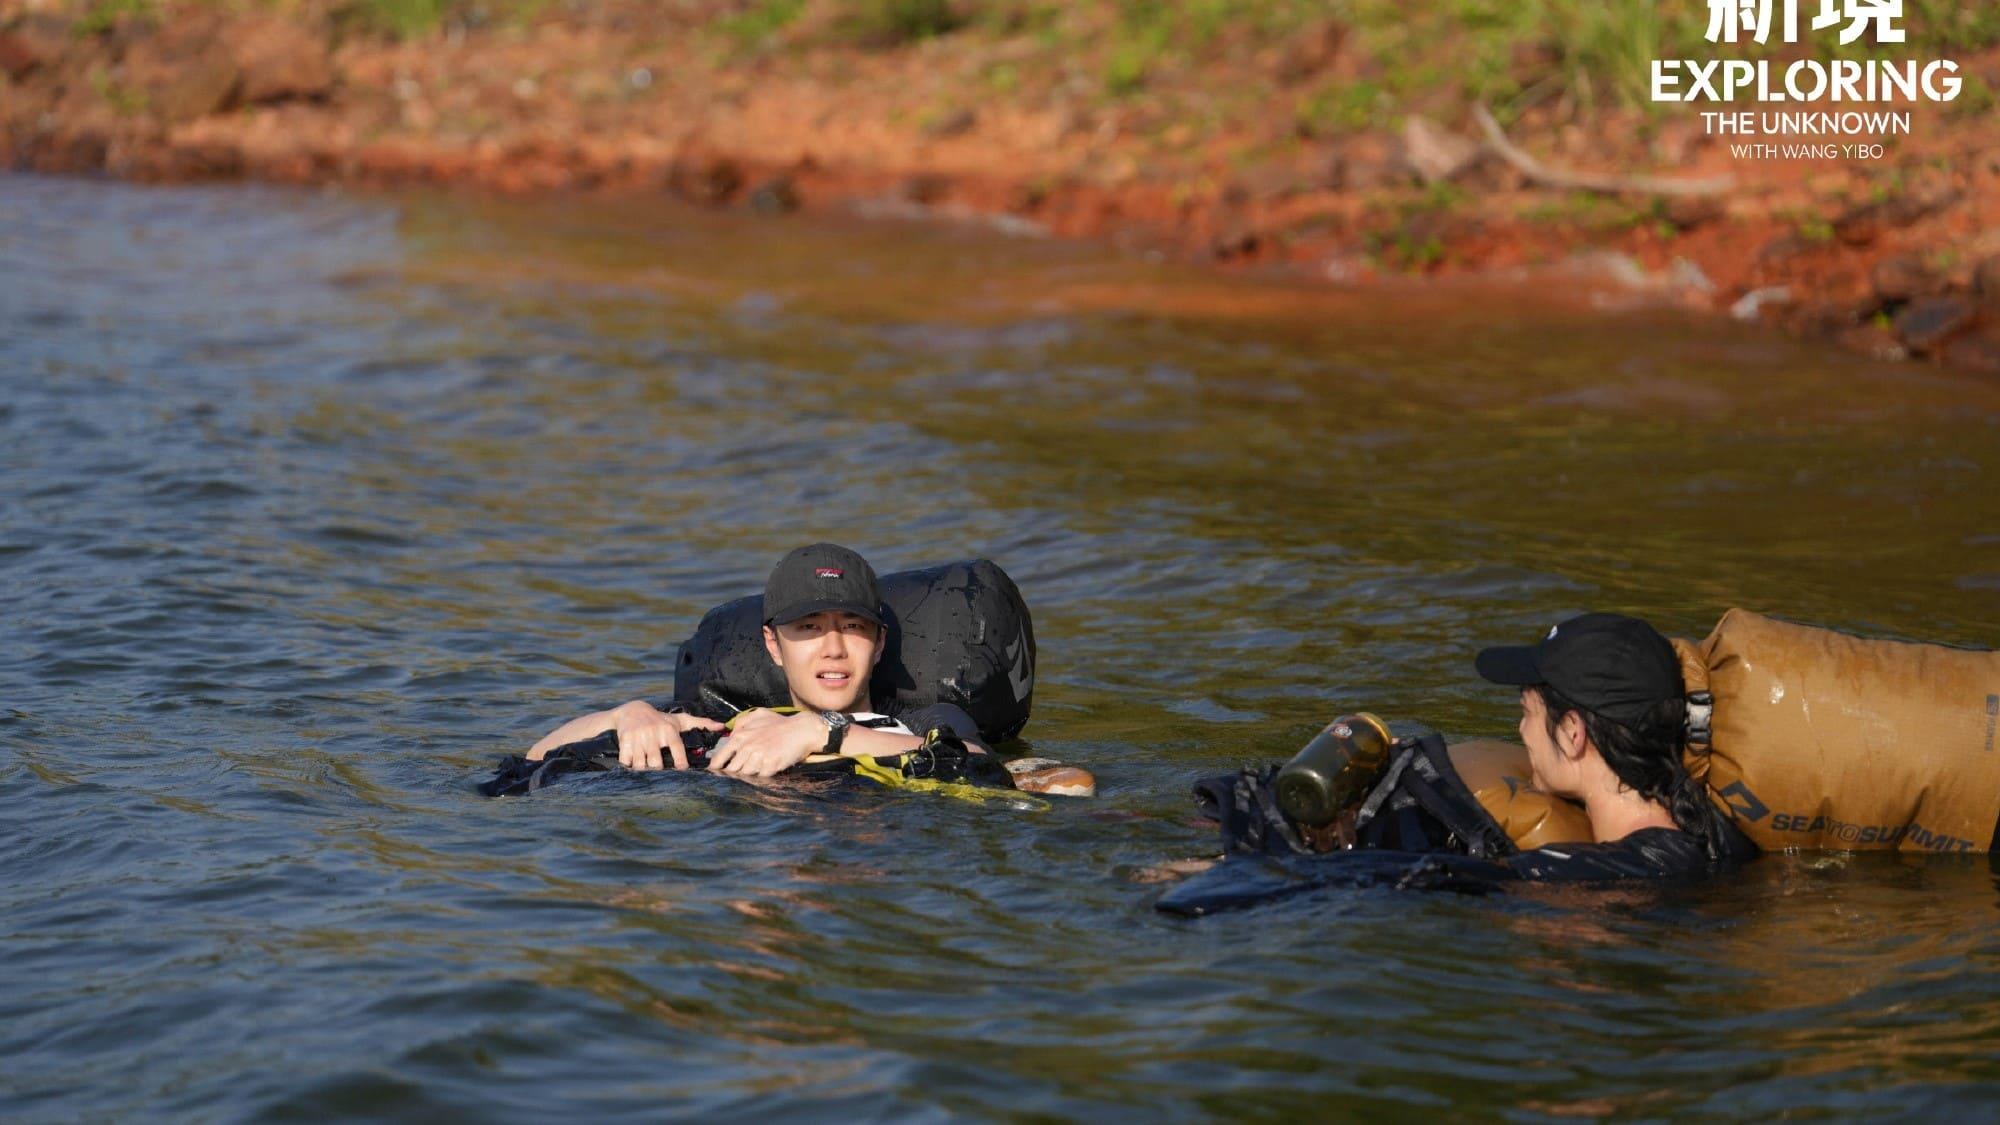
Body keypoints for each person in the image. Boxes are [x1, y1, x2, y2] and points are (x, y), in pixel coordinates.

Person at [527, 543, 989, 778]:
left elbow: (977, 763)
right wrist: (625, 714)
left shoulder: (913, 722)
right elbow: (534, 755)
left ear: (879, 642)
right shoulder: (728, 720)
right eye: (808, 628)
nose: (833, 648)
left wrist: (823, 732)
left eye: (852, 626)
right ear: (773, 645)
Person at [1468, 611, 1750, 879]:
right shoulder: (1716, 833)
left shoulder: (1591, 876)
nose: (1521, 729)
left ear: (1571, 732)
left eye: (1527, 712)